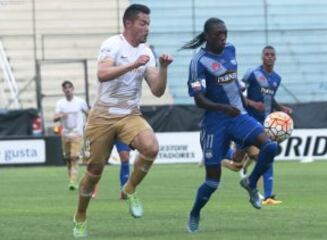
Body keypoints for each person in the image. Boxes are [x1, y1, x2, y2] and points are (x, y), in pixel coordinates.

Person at [72, 4, 173, 238]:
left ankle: (129, 189)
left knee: (151, 146)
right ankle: (80, 216)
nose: (147, 28)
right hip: (102, 116)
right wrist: (132, 64)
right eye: (143, 23)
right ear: (128, 23)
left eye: (148, 23)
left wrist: (163, 68)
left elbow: (157, 90)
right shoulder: (112, 44)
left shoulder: (147, 52)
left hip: (129, 114)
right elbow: (102, 74)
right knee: (94, 171)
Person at [182, 18, 279, 233]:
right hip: (214, 123)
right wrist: (223, 108)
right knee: (212, 182)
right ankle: (195, 212)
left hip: (238, 116)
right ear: (207, 35)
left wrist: (242, 103)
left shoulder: (230, 50)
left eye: (225, 33)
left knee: (271, 146)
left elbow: (234, 83)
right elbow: (199, 99)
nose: (223, 37)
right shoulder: (198, 61)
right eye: (218, 34)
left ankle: (251, 183)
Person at [222, 46, 293, 205]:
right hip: (247, 123)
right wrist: (253, 104)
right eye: (266, 54)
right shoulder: (252, 73)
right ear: (262, 57)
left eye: (272, 55)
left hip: (264, 125)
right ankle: (220, 155)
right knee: (242, 160)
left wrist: (282, 109)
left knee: (260, 157)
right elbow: (237, 92)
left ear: (275, 58)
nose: (269, 57)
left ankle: (268, 196)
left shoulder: (276, 78)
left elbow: (271, 99)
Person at [53, 80, 89, 190]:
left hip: (77, 133)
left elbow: (88, 113)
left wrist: (88, 126)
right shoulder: (60, 103)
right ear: (63, 90)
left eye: (69, 87)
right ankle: (71, 179)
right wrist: (61, 115)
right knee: (68, 158)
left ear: (73, 89)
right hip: (65, 134)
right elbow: (54, 118)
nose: (68, 90)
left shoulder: (80, 102)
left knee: (74, 157)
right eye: (65, 88)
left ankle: (73, 180)